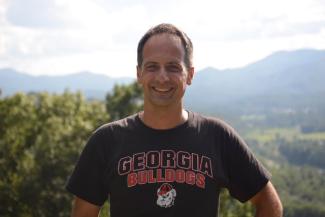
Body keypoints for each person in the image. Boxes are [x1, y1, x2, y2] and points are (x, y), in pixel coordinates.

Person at [66, 23, 283, 217]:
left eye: (173, 67)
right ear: (139, 73)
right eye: (152, 66)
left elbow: (269, 204)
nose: (162, 77)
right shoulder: (107, 140)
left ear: (189, 74)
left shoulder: (217, 136)